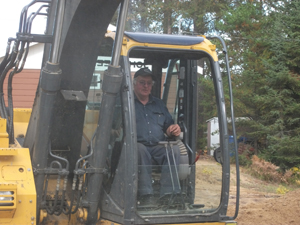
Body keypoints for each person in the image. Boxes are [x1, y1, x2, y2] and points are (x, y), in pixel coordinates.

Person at [133, 67, 181, 205]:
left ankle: (168, 195)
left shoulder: (159, 104)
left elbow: (168, 126)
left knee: (174, 150)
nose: (146, 86)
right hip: (135, 146)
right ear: (135, 83)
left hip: (157, 146)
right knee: (140, 149)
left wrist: (173, 129)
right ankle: (145, 195)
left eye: (149, 83)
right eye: (142, 82)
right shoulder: (127, 103)